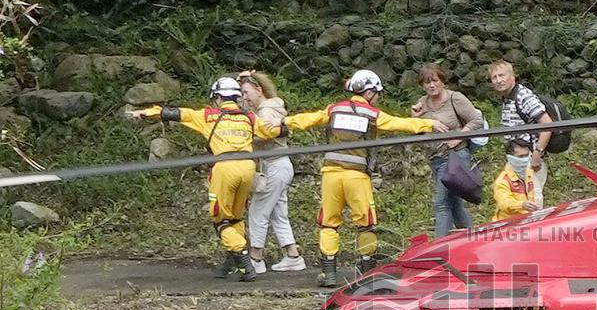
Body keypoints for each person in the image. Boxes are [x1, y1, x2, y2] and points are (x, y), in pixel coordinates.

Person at [277, 70, 446, 287]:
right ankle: (367, 272)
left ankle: (329, 273)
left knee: (329, 224)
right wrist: (429, 124)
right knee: (366, 224)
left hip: (331, 175)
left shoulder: (334, 109)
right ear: (368, 92)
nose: (378, 98)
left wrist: (284, 121)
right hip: (357, 177)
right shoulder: (372, 114)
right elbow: (398, 124)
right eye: (377, 94)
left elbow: (309, 119)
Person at [129, 77, 283, 281]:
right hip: (248, 167)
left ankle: (245, 261)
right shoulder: (249, 117)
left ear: (218, 98)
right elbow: (277, 130)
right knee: (236, 217)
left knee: (221, 220)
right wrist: (286, 123)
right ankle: (231, 263)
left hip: (224, 168)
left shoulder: (208, 116)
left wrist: (145, 112)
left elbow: (174, 113)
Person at [237, 70, 305, 274]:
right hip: (279, 165)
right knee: (278, 214)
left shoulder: (266, 111)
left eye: (246, 92)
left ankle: (256, 258)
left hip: (274, 165)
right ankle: (293, 255)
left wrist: (242, 137)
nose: (244, 97)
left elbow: (264, 135)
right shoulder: (273, 107)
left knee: (258, 212)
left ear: (259, 90)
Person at [410, 63, 484, 238]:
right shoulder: (422, 104)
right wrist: (415, 119)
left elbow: (476, 120)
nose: (432, 85)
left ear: (442, 81)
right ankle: (471, 239)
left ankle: (439, 248)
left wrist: (458, 136)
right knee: (455, 203)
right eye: (427, 82)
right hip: (435, 158)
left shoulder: (454, 98)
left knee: (441, 203)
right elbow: (418, 131)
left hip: (455, 157)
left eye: (435, 80)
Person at [489, 60, 553, 207]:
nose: (499, 80)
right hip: (516, 159)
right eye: (494, 77)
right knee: (519, 201)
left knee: (534, 202)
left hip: (530, 159)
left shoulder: (523, 96)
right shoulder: (507, 97)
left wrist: (538, 153)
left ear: (513, 77)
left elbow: (548, 124)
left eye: (502, 75)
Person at [492, 137, 539, 221]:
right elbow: (504, 203)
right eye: (521, 156)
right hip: (508, 224)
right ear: (510, 158)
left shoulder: (529, 173)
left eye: (527, 155)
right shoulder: (503, 181)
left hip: (527, 220)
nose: (525, 159)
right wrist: (521, 205)